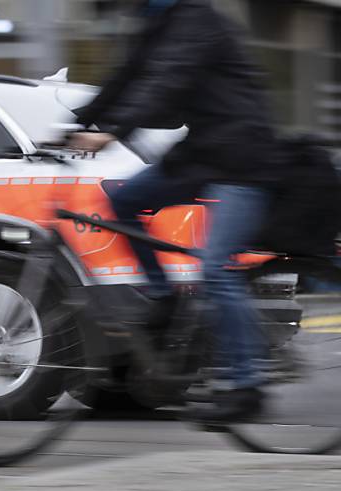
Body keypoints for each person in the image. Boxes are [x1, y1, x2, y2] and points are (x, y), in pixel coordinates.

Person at [68, 0, 280, 420]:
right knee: (124, 201)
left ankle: (246, 384)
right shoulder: (157, 21)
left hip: (243, 156)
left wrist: (112, 132)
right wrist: (74, 124)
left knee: (216, 270)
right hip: (205, 152)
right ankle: (164, 297)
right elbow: (127, 76)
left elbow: (166, 80)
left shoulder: (195, 18)